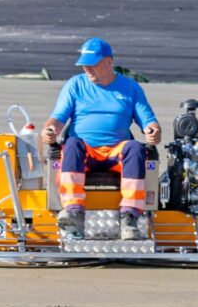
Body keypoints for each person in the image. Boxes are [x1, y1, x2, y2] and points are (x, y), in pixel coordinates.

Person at [41, 37, 161, 240]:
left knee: (135, 148)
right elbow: (58, 117)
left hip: (116, 153)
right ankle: (73, 211)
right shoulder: (75, 85)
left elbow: (148, 121)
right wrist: (49, 129)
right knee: (71, 144)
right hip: (85, 151)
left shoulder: (130, 88)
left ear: (109, 62)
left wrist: (153, 131)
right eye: (84, 65)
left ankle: (129, 218)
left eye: (92, 65)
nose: (87, 69)